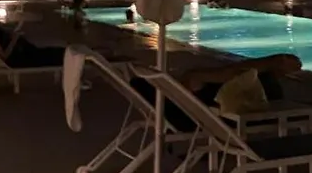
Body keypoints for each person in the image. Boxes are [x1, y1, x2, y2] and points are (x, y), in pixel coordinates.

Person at [129, 54, 302, 132]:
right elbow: (221, 75)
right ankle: (270, 67)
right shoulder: (188, 102)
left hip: (219, 102)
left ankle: (269, 68)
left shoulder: (177, 101)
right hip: (241, 107)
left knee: (210, 76)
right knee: (207, 77)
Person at [0, 24, 66, 69]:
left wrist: (13, 34)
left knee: (44, 53)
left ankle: (63, 55)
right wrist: (14, 40)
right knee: (43, 57)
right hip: (17, 57)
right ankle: (63, 58)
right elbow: (4, 56)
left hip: (22, 49)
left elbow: (6, 32)